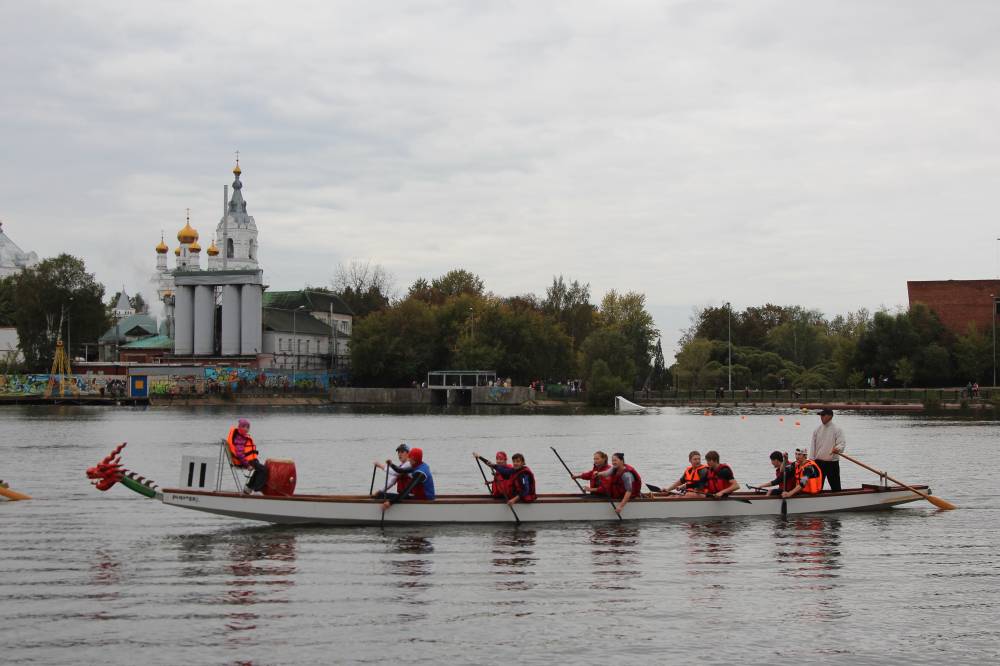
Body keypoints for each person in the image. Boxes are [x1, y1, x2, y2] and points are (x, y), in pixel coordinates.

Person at [226, 418, 268, 493]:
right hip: (246, 462)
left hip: (250, 461)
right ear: (239, 427)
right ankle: (257, 489)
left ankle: (248, 488)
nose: (246, 429)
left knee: (260, 469)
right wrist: (247, 465)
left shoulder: (242, 436)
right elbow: (239, 454)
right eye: (243, 426)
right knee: (263, 470)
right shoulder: (240, 438)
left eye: (247, 427)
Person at [810, 408, 846, 491]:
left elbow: (842, 443)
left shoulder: (837, 429)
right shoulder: (817, 430)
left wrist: (837, 448)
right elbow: (812, 447)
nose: (821, 417)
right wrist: (811, 461)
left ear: (830, 416)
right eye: (820, 415)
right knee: (816, 488)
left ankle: (839, 501)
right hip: (818, 463)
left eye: (823, 415)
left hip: (832, 463)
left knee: (836, 488)